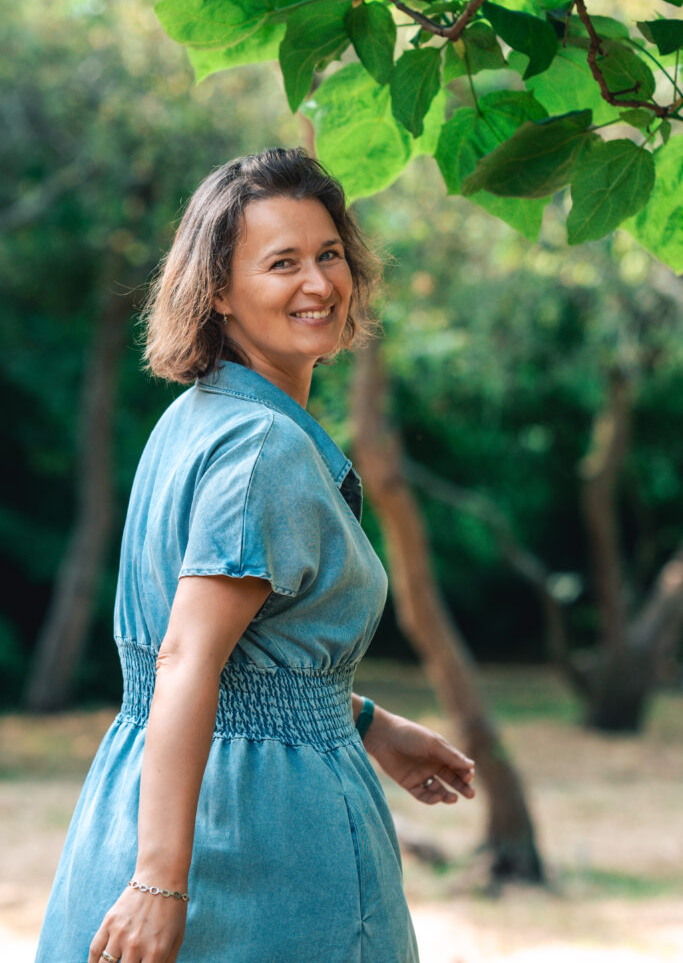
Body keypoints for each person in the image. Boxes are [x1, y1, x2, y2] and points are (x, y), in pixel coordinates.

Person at [35, 147, 476, 963]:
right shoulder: (262, 448)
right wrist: (162, 883)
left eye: (329, 254)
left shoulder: (198, 417)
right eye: (281, 264)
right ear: (218, 291)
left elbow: (235, 658)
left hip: (139, 798)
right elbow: (186, 658)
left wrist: (364, 722)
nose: (318, 284)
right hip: (252, 836)